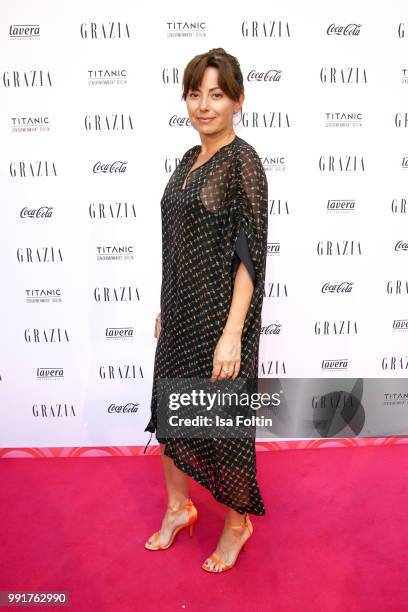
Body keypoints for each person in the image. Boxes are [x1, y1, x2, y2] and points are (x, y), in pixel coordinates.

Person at [143, 48, 269, 573]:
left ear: (238, 100)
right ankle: (179, 508)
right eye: (195, 94)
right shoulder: (185, 160)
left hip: (220, 318)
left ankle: (238, 524)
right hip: (180, 313)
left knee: (223, 426)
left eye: (216, 95)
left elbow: (251, 255)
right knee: (173, 416)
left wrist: (233, 332)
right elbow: (178, 241)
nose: (203, 105)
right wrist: (163, 307)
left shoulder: (245, 162)